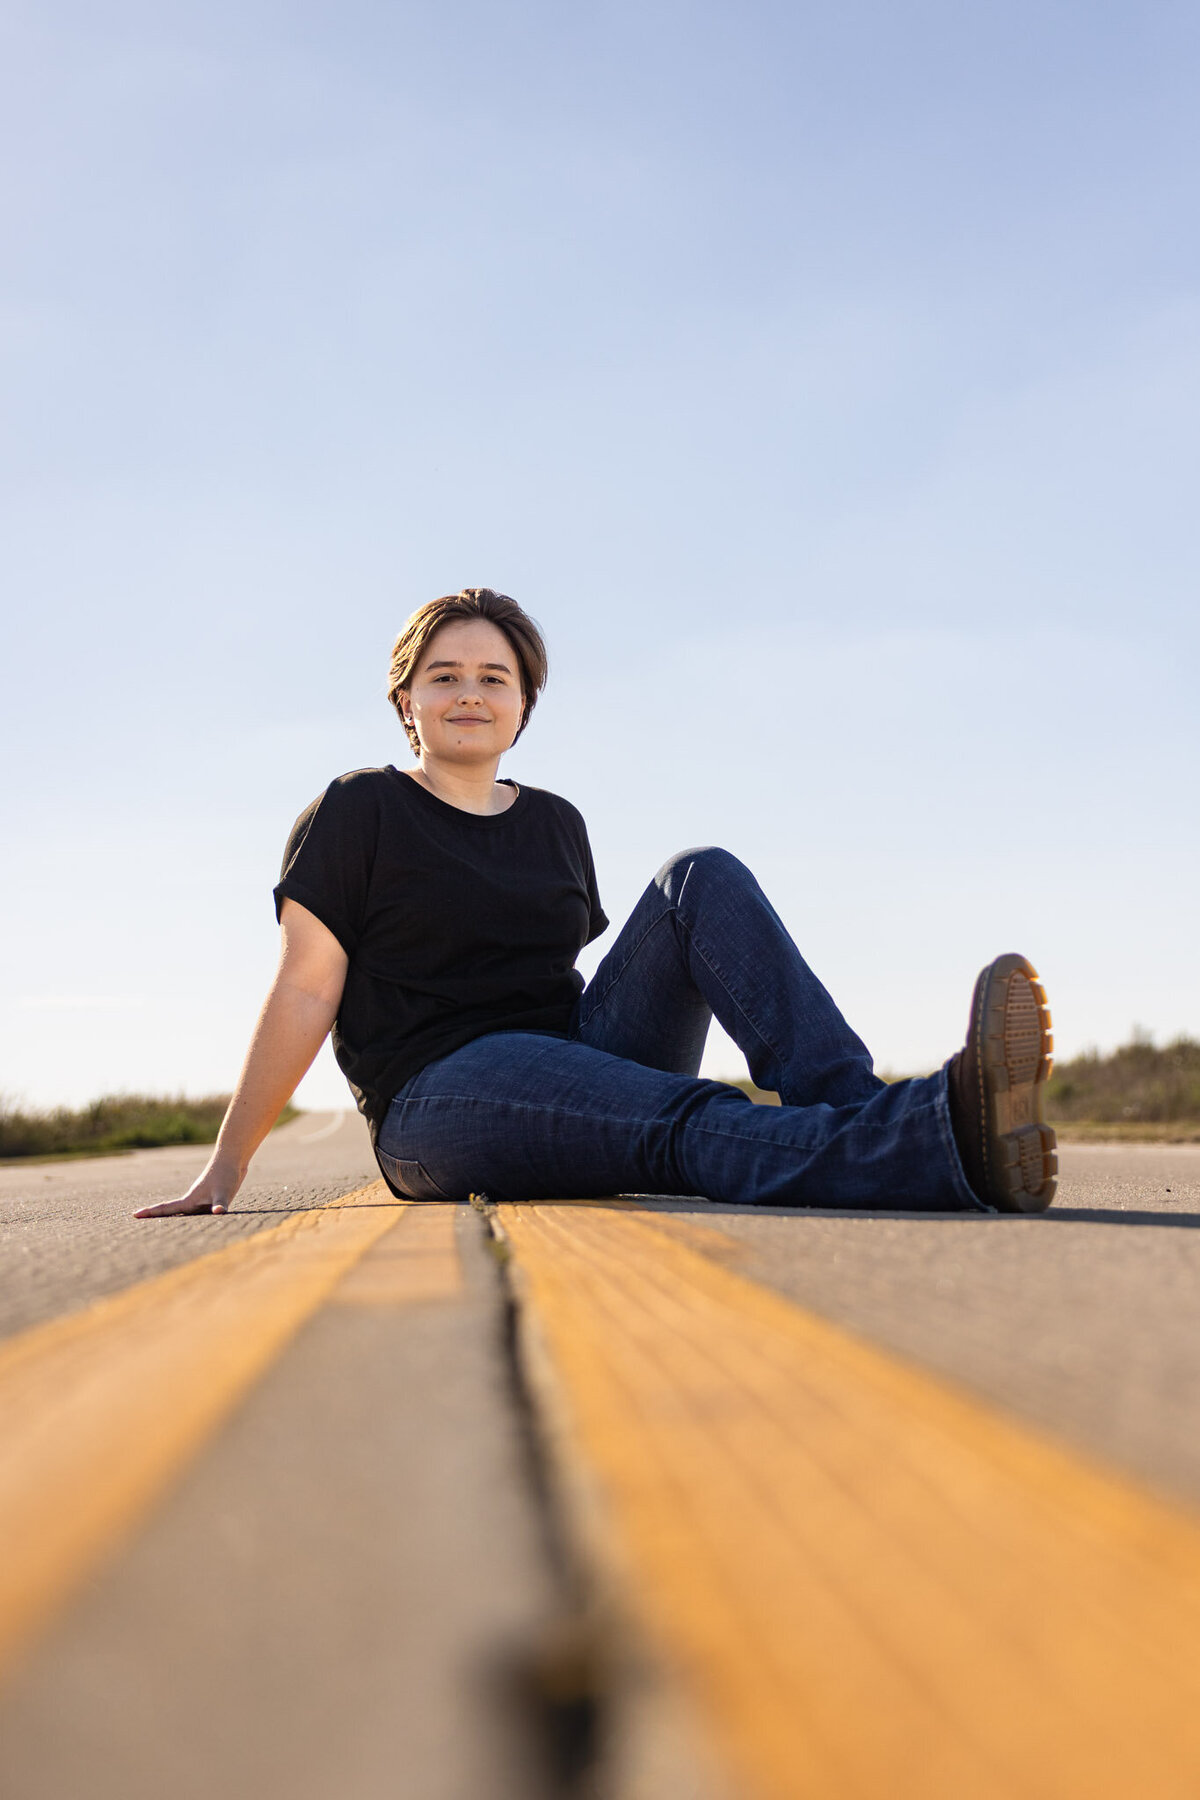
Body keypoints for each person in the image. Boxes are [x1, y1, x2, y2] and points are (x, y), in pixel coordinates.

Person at [136, 588, 1057, 1220]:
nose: (469, 693)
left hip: (564, 1054)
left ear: (524, 704)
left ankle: (858, 1107)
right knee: (675, 1119)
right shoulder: (359, 807)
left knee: (703, 872)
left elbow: (566, 986)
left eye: (494, 678)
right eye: (444, 675)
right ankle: (928, 1140)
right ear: (405, 700)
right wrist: (228, 1161)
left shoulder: (556, 823)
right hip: (439, 1099)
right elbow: (305, 988)